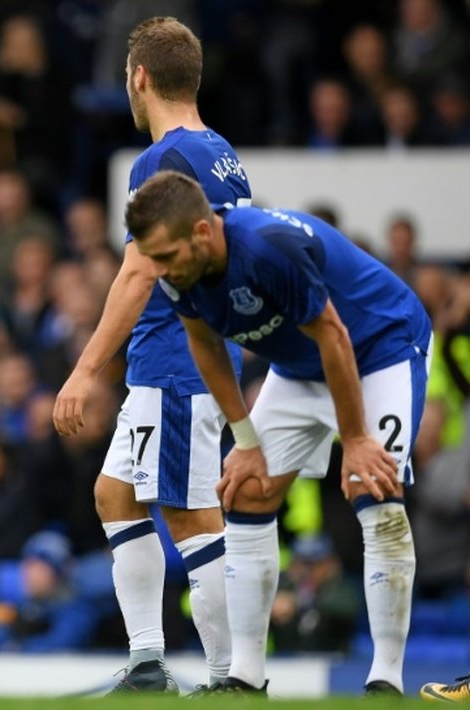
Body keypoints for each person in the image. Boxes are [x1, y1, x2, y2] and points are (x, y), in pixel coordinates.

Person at [125, 170, 431, 696]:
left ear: (203, 232)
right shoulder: (178, 271)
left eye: (166, 255)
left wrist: (355, 438)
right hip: (300, 365)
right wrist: (245, 442)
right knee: (245, 487)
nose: (158, 270)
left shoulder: (268, 249)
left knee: (375, 489)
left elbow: (335, 334)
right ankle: (245, 677)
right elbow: (204, 344)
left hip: (379, 348)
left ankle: (386, 681)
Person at [53, 17, 249, 692]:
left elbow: (138, 274)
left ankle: (233, 676)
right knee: (116, 493)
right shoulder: (219, 150)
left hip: (175, 358)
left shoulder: (159, 160)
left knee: (194, 515)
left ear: (137, 77)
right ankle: (147, 665)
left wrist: (83, 370)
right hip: (190, 358)